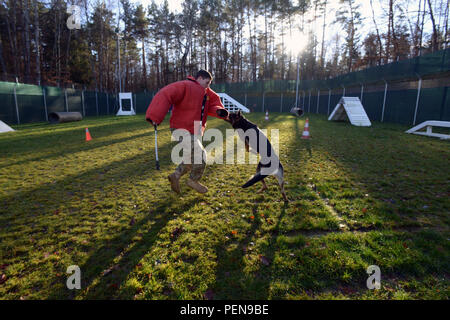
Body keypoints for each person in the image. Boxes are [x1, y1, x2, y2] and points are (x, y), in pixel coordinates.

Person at [146, 70, 229, 194]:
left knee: (191, 158)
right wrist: (155, 116)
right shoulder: (184, 85)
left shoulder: (206, 93)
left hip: (194, 130)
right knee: (201, 156)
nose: (208, 86)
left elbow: (213, 104)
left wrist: (219, 111)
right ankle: (193, 181)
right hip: (182, 128)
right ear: (200, 78)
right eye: (207, 83)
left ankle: (176, 175)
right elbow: (165, 94)